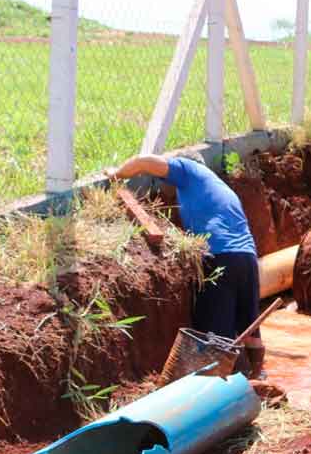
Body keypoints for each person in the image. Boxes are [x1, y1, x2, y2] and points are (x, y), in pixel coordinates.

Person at [108, 152, 265, 378]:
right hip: (247, 258)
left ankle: (217, 384)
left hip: (218, 257)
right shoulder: (218, 187)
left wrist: (118, 173)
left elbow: (145, 161)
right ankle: (257, 375)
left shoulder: (189, 170)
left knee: (215, 331)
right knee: (249, 324)